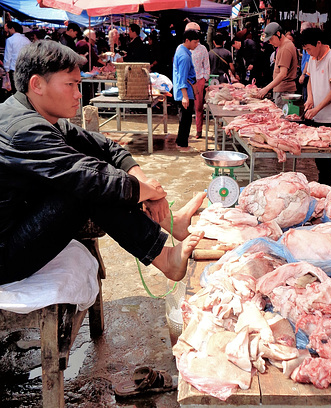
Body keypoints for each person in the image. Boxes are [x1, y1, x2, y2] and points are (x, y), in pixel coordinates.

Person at [0, 40, 205, 285]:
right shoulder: (23, 129)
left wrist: (145, 183)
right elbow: (89, 177)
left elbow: (106, 147)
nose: (78, 94)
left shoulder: (39, 116)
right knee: (90, 186)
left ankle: (172, 222)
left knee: (104, 176)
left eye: (78, 85)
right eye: (70, 85)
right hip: (5, 255)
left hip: (22, 218)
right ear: (37, 84)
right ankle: (165, 258)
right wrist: (147, 191)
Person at [301, 27, 331, 186]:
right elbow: (310, 81)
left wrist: (317, 108)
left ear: (318, 43)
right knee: (319, 158)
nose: (308, 52)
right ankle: (321, 188)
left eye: (309, 49)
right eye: (305, 49)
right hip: (317, 115)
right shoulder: (312, 59)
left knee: (328, 161)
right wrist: (311, 99)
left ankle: (326, 189)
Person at [257, 22, 298, 109]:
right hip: (282, 90)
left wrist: (266, 88)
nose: (270, 42)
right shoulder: (282, 46)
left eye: (271, 39)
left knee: (281, 120)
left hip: (284, 91)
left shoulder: (286, 47)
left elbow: (283, 74)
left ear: (278, 34)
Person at [173, 29, 200, 151]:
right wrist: (185, 96)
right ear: (187, 40)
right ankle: (182, 145)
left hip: (183, 92)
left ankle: (180, 141)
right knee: (186, 119)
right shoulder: (184, 56)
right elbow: (182, 78)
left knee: (184, 119)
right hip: (185, 92)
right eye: (195, 42)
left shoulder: (181, 49)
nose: (196, 45)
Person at [185, 22, 209, 140]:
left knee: (198, 108)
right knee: (185, 107)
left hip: (198, 80)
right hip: (186, 81)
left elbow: (206, 66)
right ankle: (185, 132)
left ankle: (198, 131)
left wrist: (204, 79)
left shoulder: (202, 49)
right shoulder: (182, 48)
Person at [3, 21, 31, 94]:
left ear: (12, 28)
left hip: (13, 68)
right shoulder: (27, 40)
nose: (8, 31)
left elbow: (8, 56)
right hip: (24, 68)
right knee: (23, 89)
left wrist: (6, 69)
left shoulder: (10, 40)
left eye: (8, 29)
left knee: (15, 89)